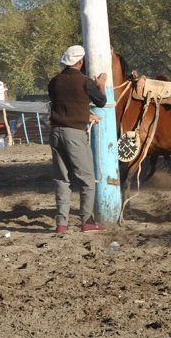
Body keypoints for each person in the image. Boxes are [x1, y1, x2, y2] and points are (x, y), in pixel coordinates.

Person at [48, 45, 107, 234]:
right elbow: (101, 102)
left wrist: (84, 112)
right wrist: (101, 85)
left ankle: (61, 223)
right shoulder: (85, 81)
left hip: (55, 132)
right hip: (75, 133)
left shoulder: (54, 82)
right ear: (80, 62)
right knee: (87, 178)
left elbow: (63, 103)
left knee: (61, 178)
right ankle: (87, 220)